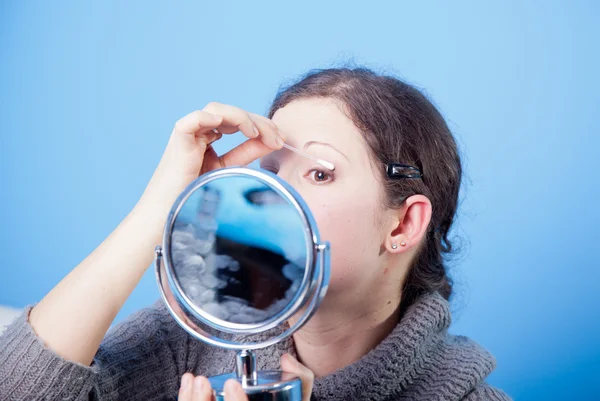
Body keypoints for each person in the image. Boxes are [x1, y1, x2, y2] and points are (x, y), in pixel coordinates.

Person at [0, 68, 511, 401]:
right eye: (268, 173)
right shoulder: (192, 339)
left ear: (403, 224)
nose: (273, 196)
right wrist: (161, 205)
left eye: (318, 173)